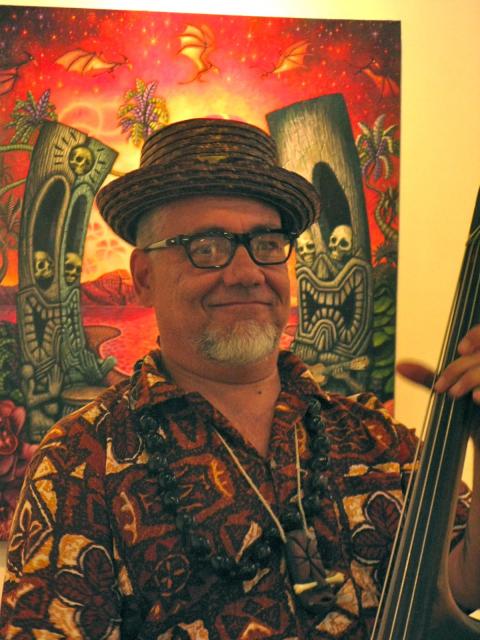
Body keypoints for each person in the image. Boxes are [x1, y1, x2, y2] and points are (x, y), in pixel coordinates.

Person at [0, 118, 479, 639]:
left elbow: (460, 582)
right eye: (206, 247)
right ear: (144, 277)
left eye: (267, 243)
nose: (248, 272)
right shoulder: (78, 463)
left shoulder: (376, 438)